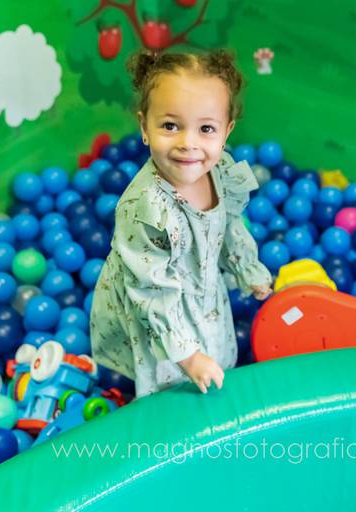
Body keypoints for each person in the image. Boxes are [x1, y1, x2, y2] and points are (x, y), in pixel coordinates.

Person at [90, 50, 272, 398]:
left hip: (203, 292)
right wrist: (187, 356)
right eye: (170, 126)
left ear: (226, 131)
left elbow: (229, 226)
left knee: (213, 359)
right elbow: (150, 289)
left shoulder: (219, 171)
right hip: (155, 301)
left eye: (206, 129)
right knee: (172, 387)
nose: (188, 143)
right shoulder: (146, 208)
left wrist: (247, 269)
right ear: (144, 127)